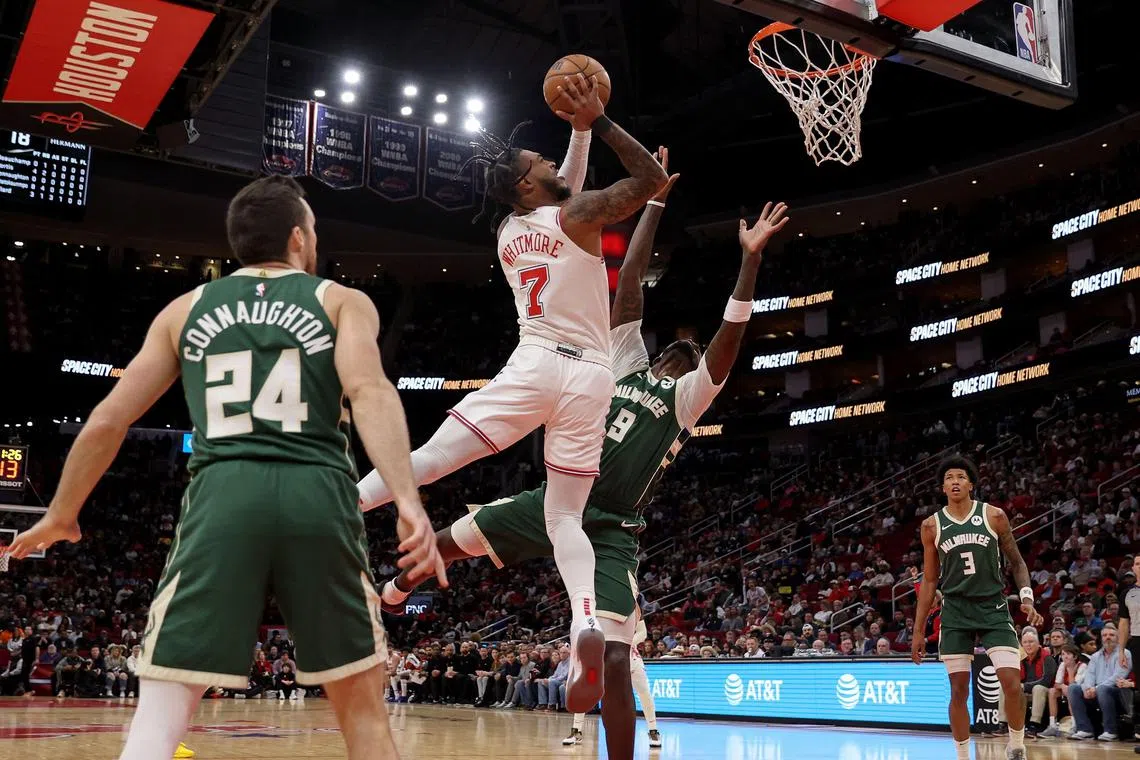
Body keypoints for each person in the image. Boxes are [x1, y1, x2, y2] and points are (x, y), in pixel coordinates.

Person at [4, 175, 445, 760]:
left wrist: (63, 512)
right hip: (318, 495)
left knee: (157, 722)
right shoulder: (339, 300)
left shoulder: (183, 311)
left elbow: (108, 419)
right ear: (297, 238)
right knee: (364, 721)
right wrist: (407, 500)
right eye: (312, 230)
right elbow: (370, 391)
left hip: (222, 499)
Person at [380, 175, 786, 759]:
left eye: (690, 353)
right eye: (677, 347)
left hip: (614, 525)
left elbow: (729, 338)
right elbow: (629, 299)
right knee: (449, 541)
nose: (684, 351)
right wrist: (653, 204)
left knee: (619, 657)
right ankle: (393, 591)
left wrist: (748, 262)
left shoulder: (688, 399)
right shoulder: (621, 366)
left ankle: (613, 735)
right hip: (559, 499)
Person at [357, 73, 668, 714]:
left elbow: (567, 191)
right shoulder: (577, 216)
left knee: (431, 462)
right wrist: (601, 120)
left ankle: (333, 502)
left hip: (533, 366)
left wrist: (579, 131)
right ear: (530, 184)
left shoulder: (510, 232)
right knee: (564, 519)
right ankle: (585, 622)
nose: (554, 161)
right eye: (541, 161)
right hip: (591, 378)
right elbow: (647, 183)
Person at [912, 455, 1044, 760]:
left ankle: (1017, 744)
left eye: (960, 476)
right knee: (958, 691)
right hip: (955, 612)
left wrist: (1026, 597)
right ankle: (962, 755)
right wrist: (918, 631)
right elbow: (930, 582)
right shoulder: (931, 525)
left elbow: (1018, 562)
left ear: (971, 484)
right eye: (949, 478)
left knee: (1012, 682)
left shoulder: (994, 516)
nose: (955, 481)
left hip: (993, 608)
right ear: (942, 487)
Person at [564, 619, 663, 748]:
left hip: (629, 656)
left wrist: (628, 643)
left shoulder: (632, 603)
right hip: (602, 655)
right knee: (586, 689)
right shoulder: (595, 604)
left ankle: (653, 730)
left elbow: (642, 632)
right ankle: (576, 730)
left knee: (644, 692)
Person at [1065, 623, 1131, 740]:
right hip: (1097, 692)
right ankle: (1084, 729)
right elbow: (1089, 675)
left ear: (1118, 637)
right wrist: (1087, 688)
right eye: (1105, 635)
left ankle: (1111, 731)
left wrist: (1096, 688)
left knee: (1103, 689)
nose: (1108, 637)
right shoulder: (1095, 656)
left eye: (1111, 635)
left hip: (1117, 692)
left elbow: (1119, 676)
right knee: (1073, 688)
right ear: (1101, 638)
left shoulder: (1124, 653)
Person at [1041, 643, 1087, 737]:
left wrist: (1070, 671)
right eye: (1063, 654)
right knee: (1052, 691)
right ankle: (1052, 725)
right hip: (1067, 689)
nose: (1065, 657)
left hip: (1080, 691)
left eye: (1068, 654)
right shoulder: (1062, 665)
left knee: (1071, 691)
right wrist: (1063, 687)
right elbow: (1057, 683)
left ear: (1075, 656)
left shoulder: (1082, 666)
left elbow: (1075, 686)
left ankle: (1075, 725)